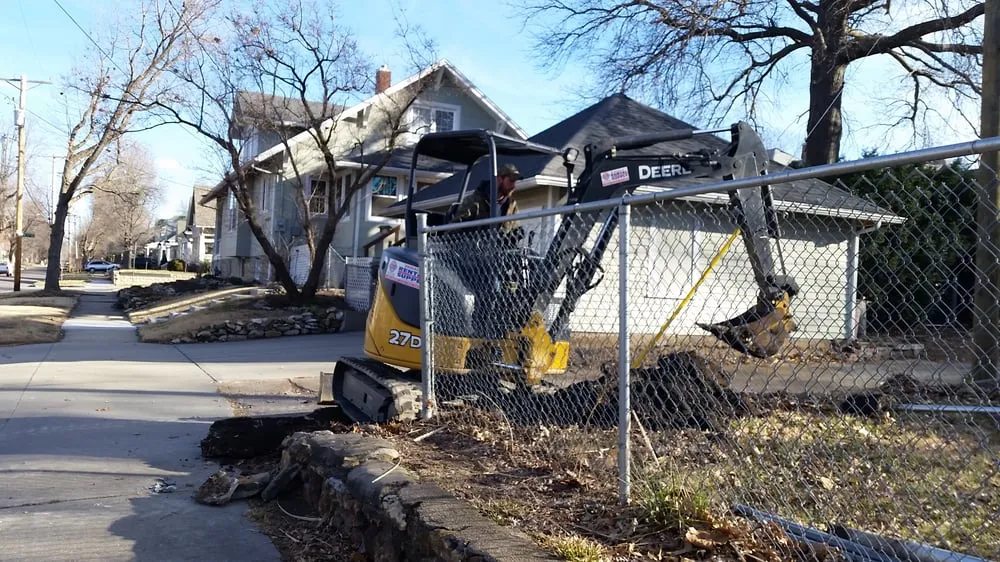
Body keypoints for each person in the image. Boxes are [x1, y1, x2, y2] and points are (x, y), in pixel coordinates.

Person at [453, 163, 522, 234]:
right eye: (511, 181)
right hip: (475, 244)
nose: (513, 186)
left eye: (515, 182)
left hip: (500, 245)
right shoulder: (474, 201)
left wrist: (516, 234)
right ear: (499, 179)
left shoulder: (511, 205)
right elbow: (454, 229)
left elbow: (514, 228)